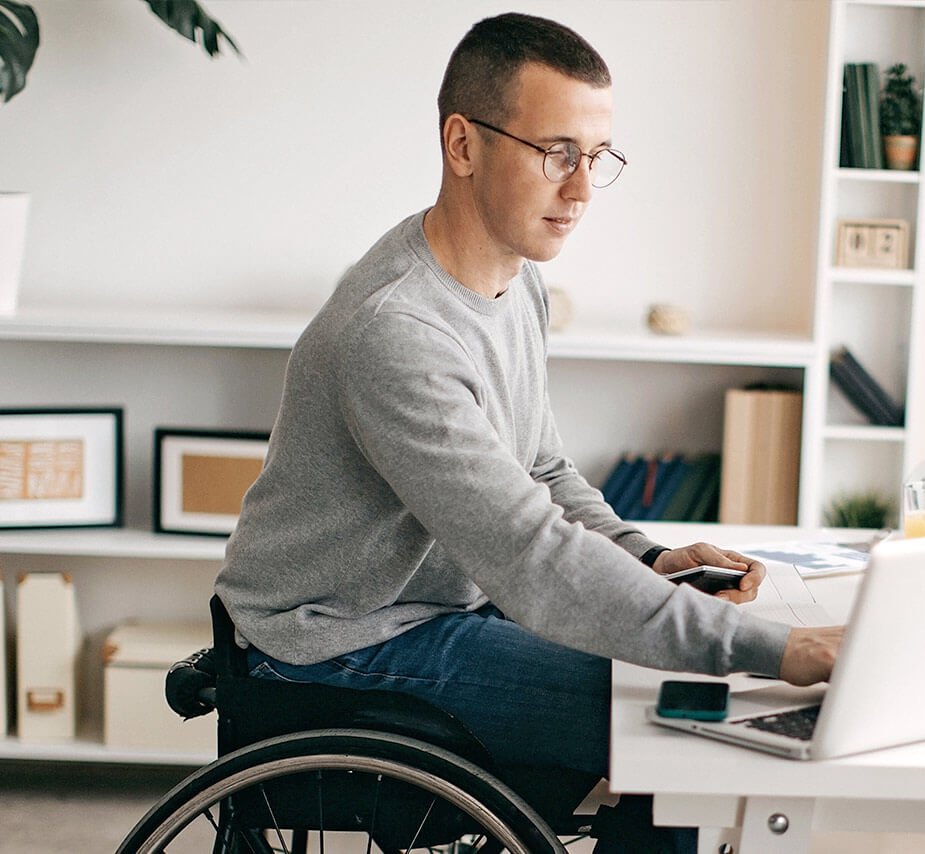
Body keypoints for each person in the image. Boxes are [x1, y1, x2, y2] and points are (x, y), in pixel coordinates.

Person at [214, 11, 841, 850]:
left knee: (679, 704)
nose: (581, 190)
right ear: (463, 144)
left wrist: (646, 555)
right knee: (680, 722)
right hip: (335, 637)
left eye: (597, 158)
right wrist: (771, 648)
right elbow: (531, 557)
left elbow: (540, 470)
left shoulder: (517, 283)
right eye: (556, 153)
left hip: (442, 608)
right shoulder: (396, 333)